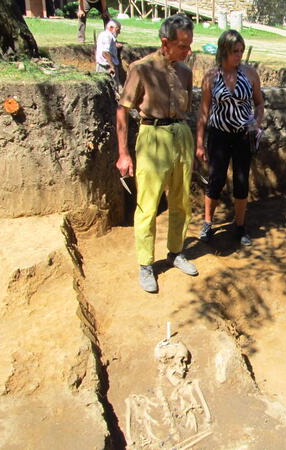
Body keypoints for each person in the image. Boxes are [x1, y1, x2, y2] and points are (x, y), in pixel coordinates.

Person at [115, 14, 197, 293]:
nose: (188, 51)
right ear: (165, 42)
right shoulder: (142, 69)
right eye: (184, 45)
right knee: (147, 204)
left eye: (190, 44)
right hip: (152, 136)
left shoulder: (186, 71)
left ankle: (176, 252)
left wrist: (193, 142)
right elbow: (122, 111)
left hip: (181, 136)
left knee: (181, 201)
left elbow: (188, 107)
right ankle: (145, 264)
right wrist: (123, 154)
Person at [195, 29, 264, 246]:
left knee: (241, 181)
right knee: (216, 179)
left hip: (243, 135)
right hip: (219, 136)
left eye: (241, 51)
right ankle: (207, 223)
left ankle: (240, 225)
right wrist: (199, 143)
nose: (239, 55)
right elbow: (204, 112)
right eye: (235, 51)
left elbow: (259, 103)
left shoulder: (250, 74)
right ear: (224, 50)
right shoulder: (211, 77)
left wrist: (256, 122)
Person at [95, 20, 121, 92]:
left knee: (103, 89)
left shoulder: (103, 34)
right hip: (106, 66)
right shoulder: (108, 36)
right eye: (118, 30)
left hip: (103, 65)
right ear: (111, 28)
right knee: (112, 90)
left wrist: (115, 46)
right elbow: (105, 52)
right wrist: (112, 66)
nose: (119, 32)